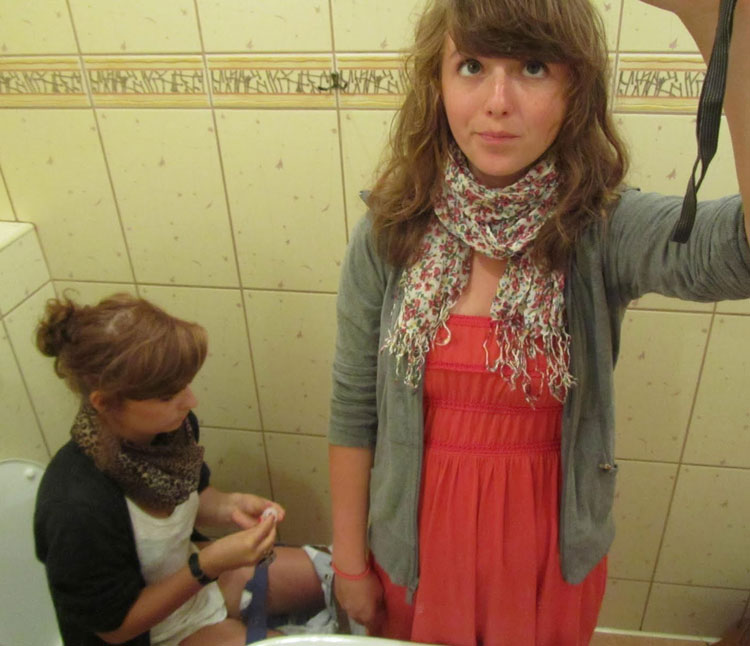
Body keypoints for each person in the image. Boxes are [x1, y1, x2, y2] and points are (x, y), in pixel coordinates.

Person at [327, 0, 750, 644]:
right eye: (472, 66)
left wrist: (724, 23)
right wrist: (350, 562)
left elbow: (739, 254)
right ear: (437, 83)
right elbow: (354, 409)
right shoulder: (390, 231)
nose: (497, 102)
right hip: (416, 556)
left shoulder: (601, 230)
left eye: (532, 67)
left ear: (575, 87)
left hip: (545, 565)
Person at [34, 293, 324, 646]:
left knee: (343, 575)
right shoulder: (75, 506)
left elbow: (191, 496)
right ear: (105, 402)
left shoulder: (170, 432)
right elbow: (116, 628)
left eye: (184, 385)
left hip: (196, 585)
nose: (190, 400)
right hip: (151, 631)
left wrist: (232, 505)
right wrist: (210, 564)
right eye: (167, 396)